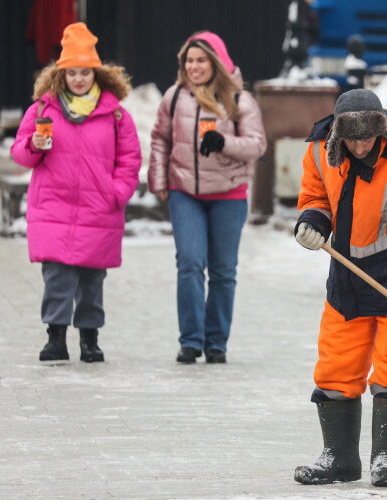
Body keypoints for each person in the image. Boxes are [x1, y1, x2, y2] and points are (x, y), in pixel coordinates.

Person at [293, 89, 387, 487]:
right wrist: (313, 222)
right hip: (348, 276)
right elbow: (315, 195)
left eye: (368, 138)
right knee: (335, 367)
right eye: (352, 139)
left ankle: (386, 458)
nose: (361, 146)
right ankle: (339, 458)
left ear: (381, 130)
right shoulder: (318, 150)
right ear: (337, 135)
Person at [10, 22, 141, 363]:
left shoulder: (116, 116)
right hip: (54, 208)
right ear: (61, 75)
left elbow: (130, 159)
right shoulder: (42, 111)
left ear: (97, 74)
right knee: (57, 276)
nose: (79, 79)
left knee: (91, 280)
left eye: (85, 73)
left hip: (99, 210)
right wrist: (33, 145)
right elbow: (20, 154)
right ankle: (55, 338)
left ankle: (89, 338)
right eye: (72, 73)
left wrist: (117, 192)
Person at [148, 31, 266, 364]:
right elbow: (160, 140)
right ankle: (190, 340)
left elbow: (257, 145)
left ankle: (216, 343)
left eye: (201, 60)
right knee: (189, 264)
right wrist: (157, 179)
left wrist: (223, 143)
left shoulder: (240, 99)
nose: (194, 66)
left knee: (223, 271)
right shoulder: (174, 97)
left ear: (216, 63)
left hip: (229, 195)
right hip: (185, 193)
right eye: (189, 60)